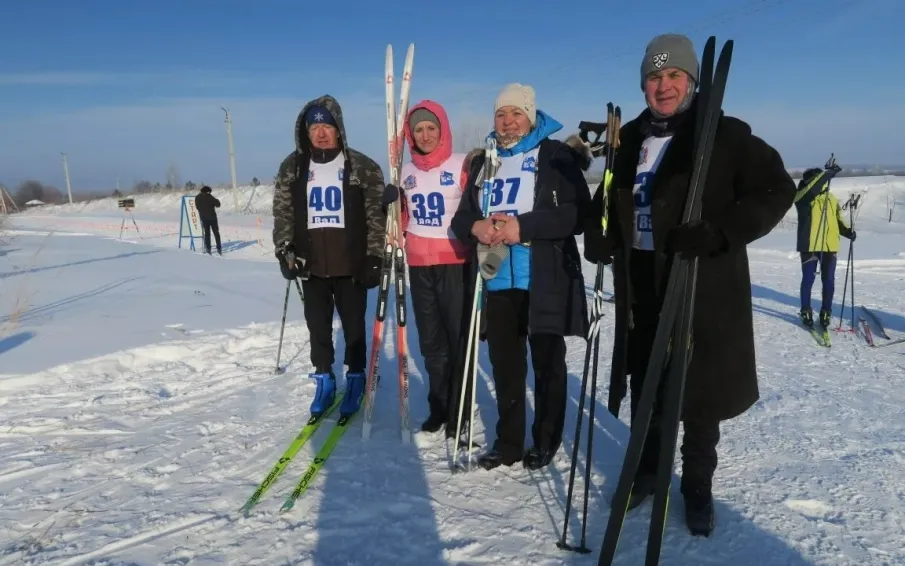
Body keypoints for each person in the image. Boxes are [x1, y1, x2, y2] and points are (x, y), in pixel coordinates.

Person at [583, 33, 796, 535]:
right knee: (648, 384)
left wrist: (720, 231)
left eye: (674, 75)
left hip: (702, 284)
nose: (664, 86)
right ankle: (650, 472)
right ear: (643, 85)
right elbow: (612, 195)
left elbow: (776, 189)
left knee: (697, 391)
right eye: (654, 77)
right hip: (642, 285)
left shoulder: (722, 134)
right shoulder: (629, 139)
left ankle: (697, 485)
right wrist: (599, 231)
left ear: (692, 81)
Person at [450, 83, 591, 471]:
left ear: (531, 116)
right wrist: (476, 226)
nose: (508, 121)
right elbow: (463, 216)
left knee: (547, 363)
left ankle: (545, 439)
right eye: (501, 114)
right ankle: (508, 442)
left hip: (542, 277)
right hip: (495, 277)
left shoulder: (554, 155)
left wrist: (523, 227)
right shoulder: (485, 161)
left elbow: (578, 214)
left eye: (516, 113)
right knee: (506, 365)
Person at [271, 95, 386, 419]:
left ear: (339, 129)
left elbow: (376, 216)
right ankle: (324, 378)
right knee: (317, 327)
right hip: (312, 266)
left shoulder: (360, 166)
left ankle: (355, 376)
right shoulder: (293, 167)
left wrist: (374, 255)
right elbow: (283, 213)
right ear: (306, 132)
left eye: (327, 126)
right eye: (315, 127)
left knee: (353, 327)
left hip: (351, 265)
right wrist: (284, 248)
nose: (321, 133)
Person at [380, 100, 475, 437]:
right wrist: (390, 206)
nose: (425, 135)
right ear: (411, 135)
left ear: (442, 129)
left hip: (455, 262)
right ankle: (440, 405)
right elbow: (401, 222)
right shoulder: (404, 172)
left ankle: (460, 408)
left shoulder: (461, 164)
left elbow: (475, 206)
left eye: (431, 128)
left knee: (457, 338)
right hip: (419, 264)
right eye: (418, 129)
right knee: (431, 342)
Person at [794, 163, 856, 329]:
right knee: (808, 279)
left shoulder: (831, 198)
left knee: (828, 280)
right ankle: (805, 310)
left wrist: (847, 231)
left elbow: (838, 219)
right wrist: (828, 174)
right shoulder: (802, 197)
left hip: (830, 246)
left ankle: (826, 311)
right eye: (816, 180)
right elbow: (813, 189)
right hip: (810, 245)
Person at [194, 185, 222, 255]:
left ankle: (208, 249)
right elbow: (218, 205)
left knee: (207, 234)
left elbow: (197, 207)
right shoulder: (210, 197)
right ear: (208, 191)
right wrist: (216, 200)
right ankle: (219, 248)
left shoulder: (197, 197)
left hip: (204, 218)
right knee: (216, 233)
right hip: (212, 218)